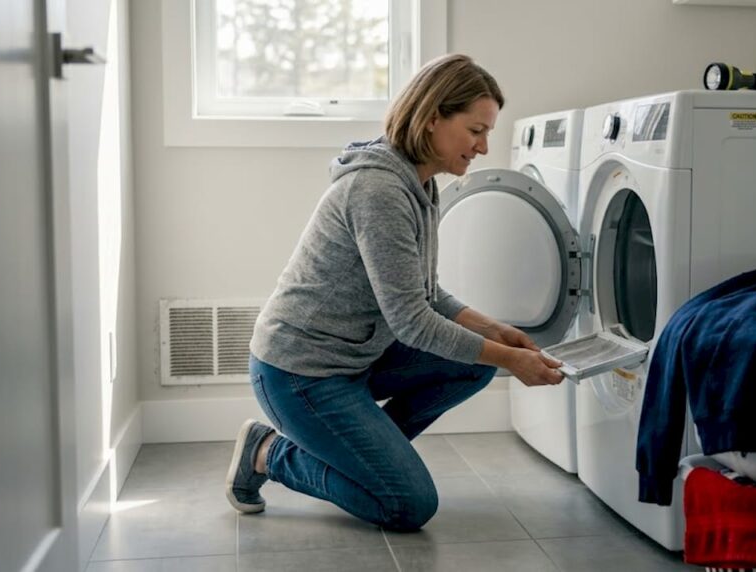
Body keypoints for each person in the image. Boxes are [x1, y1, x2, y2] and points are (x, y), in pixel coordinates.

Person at [225, 54, 565, 532]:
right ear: (432, 121)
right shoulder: (379, 190)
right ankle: (268, 452)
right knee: (406, 506)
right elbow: (411, 320)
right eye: (475, 130)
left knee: (474, 365)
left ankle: (361, 458)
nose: (484, 147)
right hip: (299, 373)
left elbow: (425, 294)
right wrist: (511, 361)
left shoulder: (420, 186)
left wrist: (496, 331)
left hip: (356, 358)